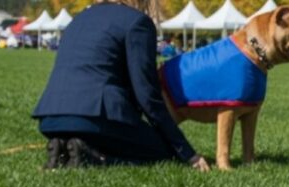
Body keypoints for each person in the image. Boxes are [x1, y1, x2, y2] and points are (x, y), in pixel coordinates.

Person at [32, 0, 208, 170]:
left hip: (50, 119)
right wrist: (186, 152)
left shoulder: (78, 19)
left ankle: (64, 146)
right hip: (94, 118)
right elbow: (147, 95)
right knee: (164, 152)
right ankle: (95, 159)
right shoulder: (137, 22)